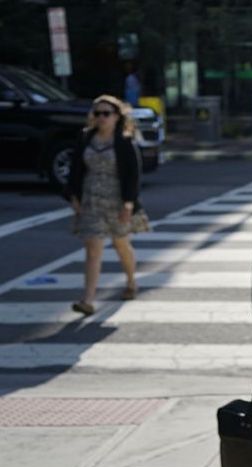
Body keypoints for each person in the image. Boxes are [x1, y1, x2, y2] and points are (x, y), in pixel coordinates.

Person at [64, 95, 150, 316]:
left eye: (106, 113)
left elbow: (133, 175)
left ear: (116, 117)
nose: (101, 117)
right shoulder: (85, 138)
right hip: (91, 199)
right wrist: (73, 197)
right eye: (97, 113)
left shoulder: (124, 141)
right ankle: (88, 300)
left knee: (121, 244)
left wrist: (129, 204)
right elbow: (75, 170)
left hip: (118, 201)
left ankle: (131, 282)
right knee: (93, 248)